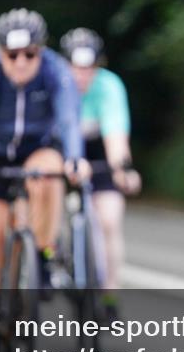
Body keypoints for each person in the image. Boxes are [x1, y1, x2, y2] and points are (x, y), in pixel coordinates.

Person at [0, 9, 88, 310]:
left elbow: (69, 118)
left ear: (40, 50)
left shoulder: (56, 71)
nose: (21, 62)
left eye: (30, 54)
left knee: (50, 171)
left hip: (36, 149)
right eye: (12, 54)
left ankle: (43, 256)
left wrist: (75, 158)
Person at [60, 27, 141, 320]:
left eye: (89, 68)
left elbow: (116, 136)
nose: (82, 75)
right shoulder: (55, 84)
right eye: (76, 68)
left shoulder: (109, 86)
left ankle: (108, 293)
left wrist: (123, 170)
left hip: (98, 155)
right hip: (59, 153)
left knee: (109, 220)